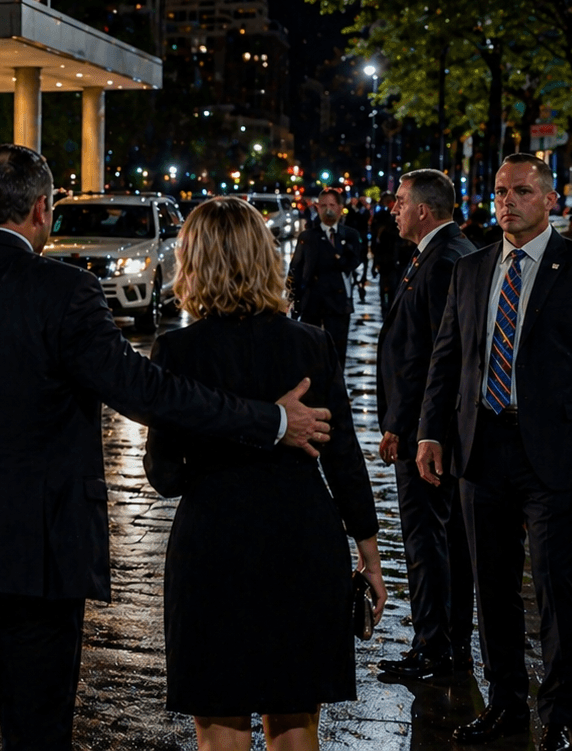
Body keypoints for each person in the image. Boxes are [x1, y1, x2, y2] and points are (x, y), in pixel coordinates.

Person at [0, 145, 334, 750]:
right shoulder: (65, 291)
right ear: (43, 210)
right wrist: (268, 420)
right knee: (37, 727)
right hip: (39, 547)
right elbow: (145, 393)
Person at [145, 196, 383, 751]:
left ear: (193, 261)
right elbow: (344, 456)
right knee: (296, 724)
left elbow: (164, 473)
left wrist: (218, 444)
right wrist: (369, 555)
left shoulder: (178, 351)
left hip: (214, 544)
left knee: (222, 729)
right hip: (301, 540)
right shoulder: (311, 343)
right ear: (264, 257)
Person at [417, 154, 572, 751]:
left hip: (556, 453)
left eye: (520, 191)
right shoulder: (473, 268)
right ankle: (506, 705)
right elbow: (448, 358)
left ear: (548, 200)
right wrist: (431, 432)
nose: (506, 202)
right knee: (492, 584)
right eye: (498, 192)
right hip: (480, 446)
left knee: (556, 585)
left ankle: (560, 715)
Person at [374, 170, 478, 681]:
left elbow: (437, 358)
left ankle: (435, 646)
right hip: (425, 427)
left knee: (426, 538)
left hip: (428, 433)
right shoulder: (439, 254)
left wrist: (407, 426)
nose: (393, 208)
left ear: (423, 209)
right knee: (441, 538)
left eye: (399, 201)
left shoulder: (446, 261)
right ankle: (447, 644)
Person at [288, 188, 363, 362]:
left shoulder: (350, 235)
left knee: (336, 353)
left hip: (338, 304)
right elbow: (296, 269)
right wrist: (292, 298)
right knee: (310, 352)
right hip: (312, 303)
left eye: (331, 205)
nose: (327, 209)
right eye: (323, 206)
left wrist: (337, 255)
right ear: (317, 208)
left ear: (339, 207)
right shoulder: (307, 236)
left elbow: (352, 262)